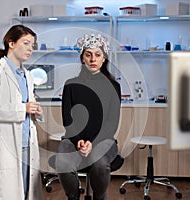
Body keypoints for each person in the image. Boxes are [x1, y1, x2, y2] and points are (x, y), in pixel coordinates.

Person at [0, 25, 43, 200]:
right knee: (7, 193)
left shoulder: (27, 76)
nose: (30, 49)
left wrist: (35, 109)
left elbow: (27, 102)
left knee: (27, 191)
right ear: (11, 43)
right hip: (5, 145)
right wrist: (23, 108)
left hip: (26, 141)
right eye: (26, 43)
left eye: (32, 45)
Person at [55, 33, 121, 200]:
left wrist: (93, 143)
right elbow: (67, 120)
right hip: (73, 139)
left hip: (104, 140)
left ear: (104, 58)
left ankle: (99, 197)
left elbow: (112, 123)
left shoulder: (114, 86)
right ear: (82, 58)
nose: (93, 59)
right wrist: (78, 140)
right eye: (88, 54)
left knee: (99, 164)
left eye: (97, 55)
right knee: (63, 162)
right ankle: (74, 195)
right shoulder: (71, 85)